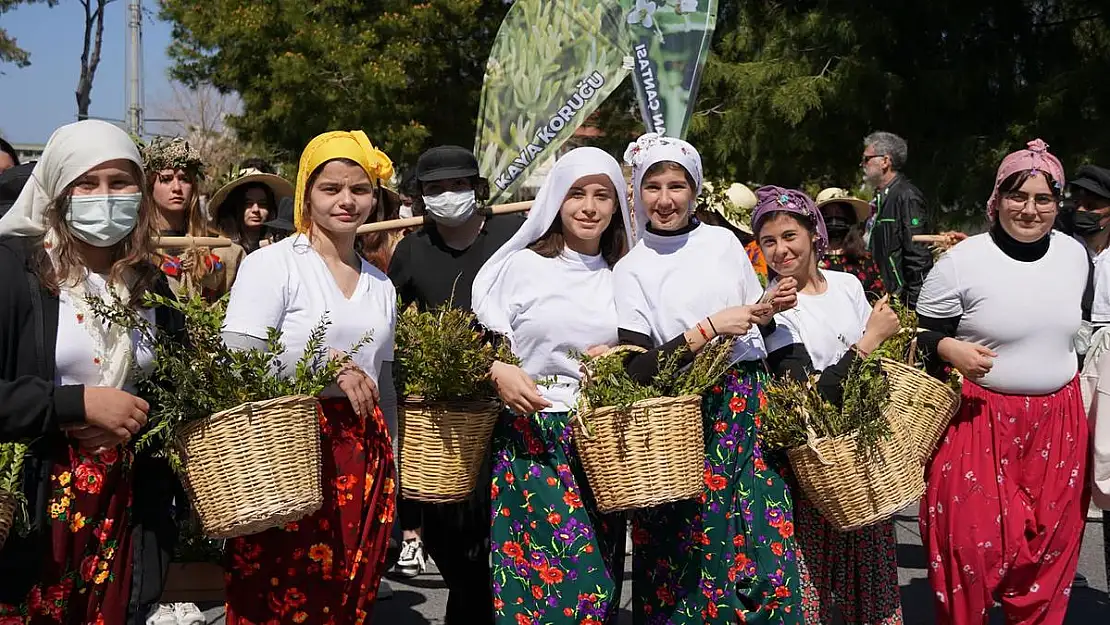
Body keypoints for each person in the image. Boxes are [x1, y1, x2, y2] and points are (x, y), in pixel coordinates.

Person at [613, 133, 802, 623]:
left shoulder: (723, 243)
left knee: (765, 551)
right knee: (685, 560)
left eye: (677, 185)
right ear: (637, 193)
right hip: (681, 422)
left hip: (748, 408)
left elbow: (763, 325)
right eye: (652, 186)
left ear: (695, 189)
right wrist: (710, 328)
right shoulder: (632, 267)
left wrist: (768, 313)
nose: (665, 199)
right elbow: (637, 367)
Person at [0, 119, 183, 624]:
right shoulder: (16, 272)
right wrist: (76, 404)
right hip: (32, 514)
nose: (105, 197)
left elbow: (174, 391)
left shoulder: (150, 287)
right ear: (59, 193)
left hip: (124, 511)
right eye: (88, 183)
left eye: (120, 182)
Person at [220, 130, 398, 622]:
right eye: (331, 188)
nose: (347, 201)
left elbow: (384, 383)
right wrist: (322, 365)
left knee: (350, 589)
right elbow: (239, 361)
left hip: (363, 452)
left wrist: (395, 468)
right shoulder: (271, 265)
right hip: (287, 451)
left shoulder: (381, 282)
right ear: (305, 194)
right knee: (280, 591)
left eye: (360, 189)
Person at [916, 139, 1090, 625]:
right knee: (968, 553)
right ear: (996, 199)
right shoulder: (963, 261)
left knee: (1046, 556)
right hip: (977, 420)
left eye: (1043, 199)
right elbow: (916, 335)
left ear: (1058, 204)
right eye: (1017, 196)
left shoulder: (1075, 256)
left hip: (1059, 424)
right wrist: (949, 349)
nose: (1029, 210)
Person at [472, 147, 631, 624]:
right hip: (531, 437)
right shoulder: (522, 266)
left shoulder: (625, 274)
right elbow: (476, 341)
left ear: (618, 205)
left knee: (597, 585)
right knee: (547, 585)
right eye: (576, 194)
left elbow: (648, 352)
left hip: (601, 442)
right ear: (556, 201)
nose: (589, 207)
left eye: (602, 196)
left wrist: (623, 360)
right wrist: (497, 369)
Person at [755, 186, 904, 625]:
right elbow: (807, 394)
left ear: (814, 234)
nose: (780, 250)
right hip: (816, 462)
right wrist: (871, 339)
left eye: (789, 236)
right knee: (812, 583)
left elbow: (875, 369)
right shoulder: (774, 309)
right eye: (769, 242)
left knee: (872, 575)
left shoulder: (847, 285)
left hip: (861, 456)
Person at [386, 145, 522, 623]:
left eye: (458, 185)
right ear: (420, 196)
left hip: (512, 413)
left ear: (477, 189)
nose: (448, 195)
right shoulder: (410, 252)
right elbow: (395, 331)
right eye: (436, 188)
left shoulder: (512, 239)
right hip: (443, 429)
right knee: (457, 554)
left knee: (502, 549)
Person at [143, 137, 243, 300]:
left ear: (194, 187)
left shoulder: (220, 248)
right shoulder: (136, 248)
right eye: (166, 179)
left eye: (184, 179)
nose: (177, 188)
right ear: (150, 186)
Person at [860, 131, 933, 307]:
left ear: (885, 161)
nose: (862, 164)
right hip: (879, 298)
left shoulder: (907, 197)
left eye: (866, 159)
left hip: (899, 303)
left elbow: (918, 255)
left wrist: (912, 305)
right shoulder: (880, 198)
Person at [815, 187, 886, 301]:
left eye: (839, 213)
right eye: (827, 214)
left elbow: (877, 298)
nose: (834, 219)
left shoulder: (864, 260)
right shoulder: (810, 261)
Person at [207, 167, 295, 254]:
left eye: (262, 204)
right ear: (235, 207)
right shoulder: (222, 249)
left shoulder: (280, 247)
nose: (256, 209)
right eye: (248, 203)